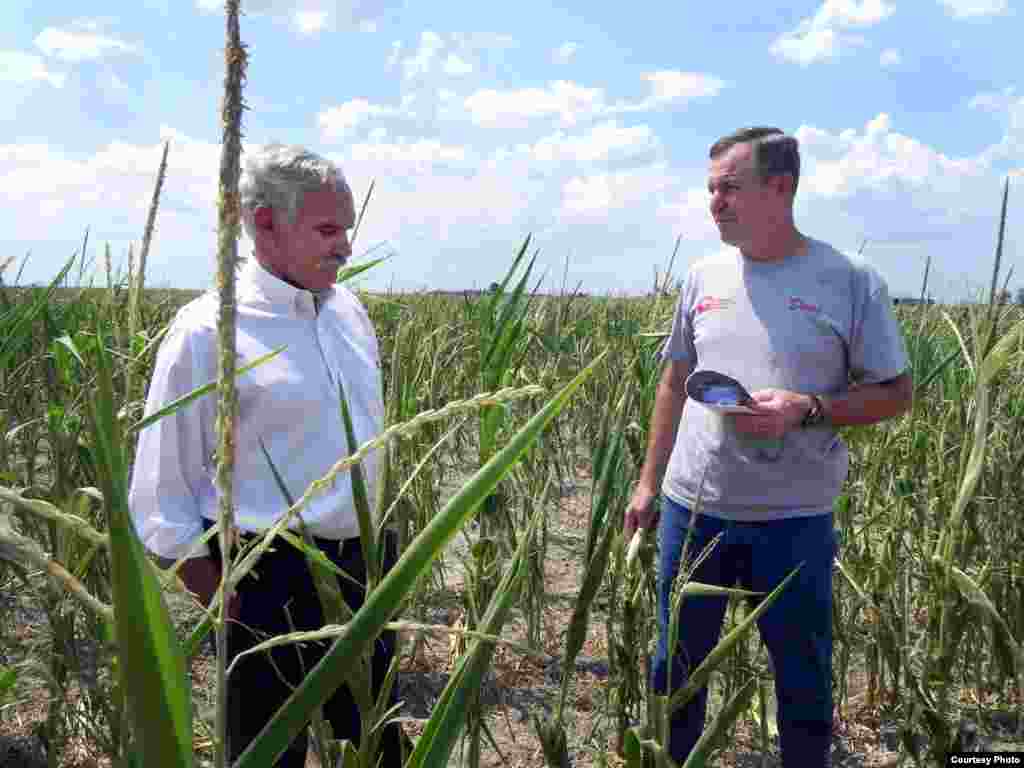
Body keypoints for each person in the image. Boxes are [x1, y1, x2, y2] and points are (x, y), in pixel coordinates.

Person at [624, 127, 913, 767]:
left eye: (729, 187)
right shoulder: (704, 275)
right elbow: (676, 375)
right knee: (674, 677)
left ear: (780, 187)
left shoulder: (850, 281)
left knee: (803, 685)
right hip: (692, 513)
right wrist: (648, 483)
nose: (714, 204)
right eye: (711, 190)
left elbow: (895, 392)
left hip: (793, 523)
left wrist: (807, 409)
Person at [129, 143, 402, 767]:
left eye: (348, 229)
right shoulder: (208, 330)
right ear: (264, 225)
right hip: (262, 578)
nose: (346, 247)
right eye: (328, 230)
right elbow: (161, 487)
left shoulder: (349, 314)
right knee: (263, 755)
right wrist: (223, 595)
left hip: (361, 566)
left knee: (375, 745)